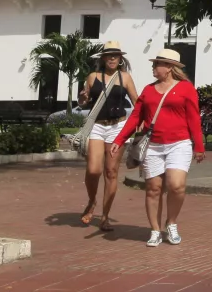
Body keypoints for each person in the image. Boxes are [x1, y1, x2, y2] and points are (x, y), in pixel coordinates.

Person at [109, 48, 204, 247]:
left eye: (157, 64)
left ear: (169, 67)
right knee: (153, 189)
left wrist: (199, 146)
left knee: (176, 185)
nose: (153, 67)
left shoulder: (186, 89)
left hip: (179, 143)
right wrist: (119, 140)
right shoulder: (148, 90)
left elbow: (193, 118)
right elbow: (135, 117)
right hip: (153, 145)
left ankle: (171, 223)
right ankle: (155, 229)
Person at [76, 41, 138, 231]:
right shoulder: (93, 77)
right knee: (94, 170)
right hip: (97, 126)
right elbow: (83, 102)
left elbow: (138, 102)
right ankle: (92, 201)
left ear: (120, 59)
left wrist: (143, 121)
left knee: (111, 172)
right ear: (103, 58)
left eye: (116, 55)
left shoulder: (125, 77)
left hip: (117, 127)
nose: (112, 58)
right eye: (109, 55)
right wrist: (83, 98)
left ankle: (105, 216)